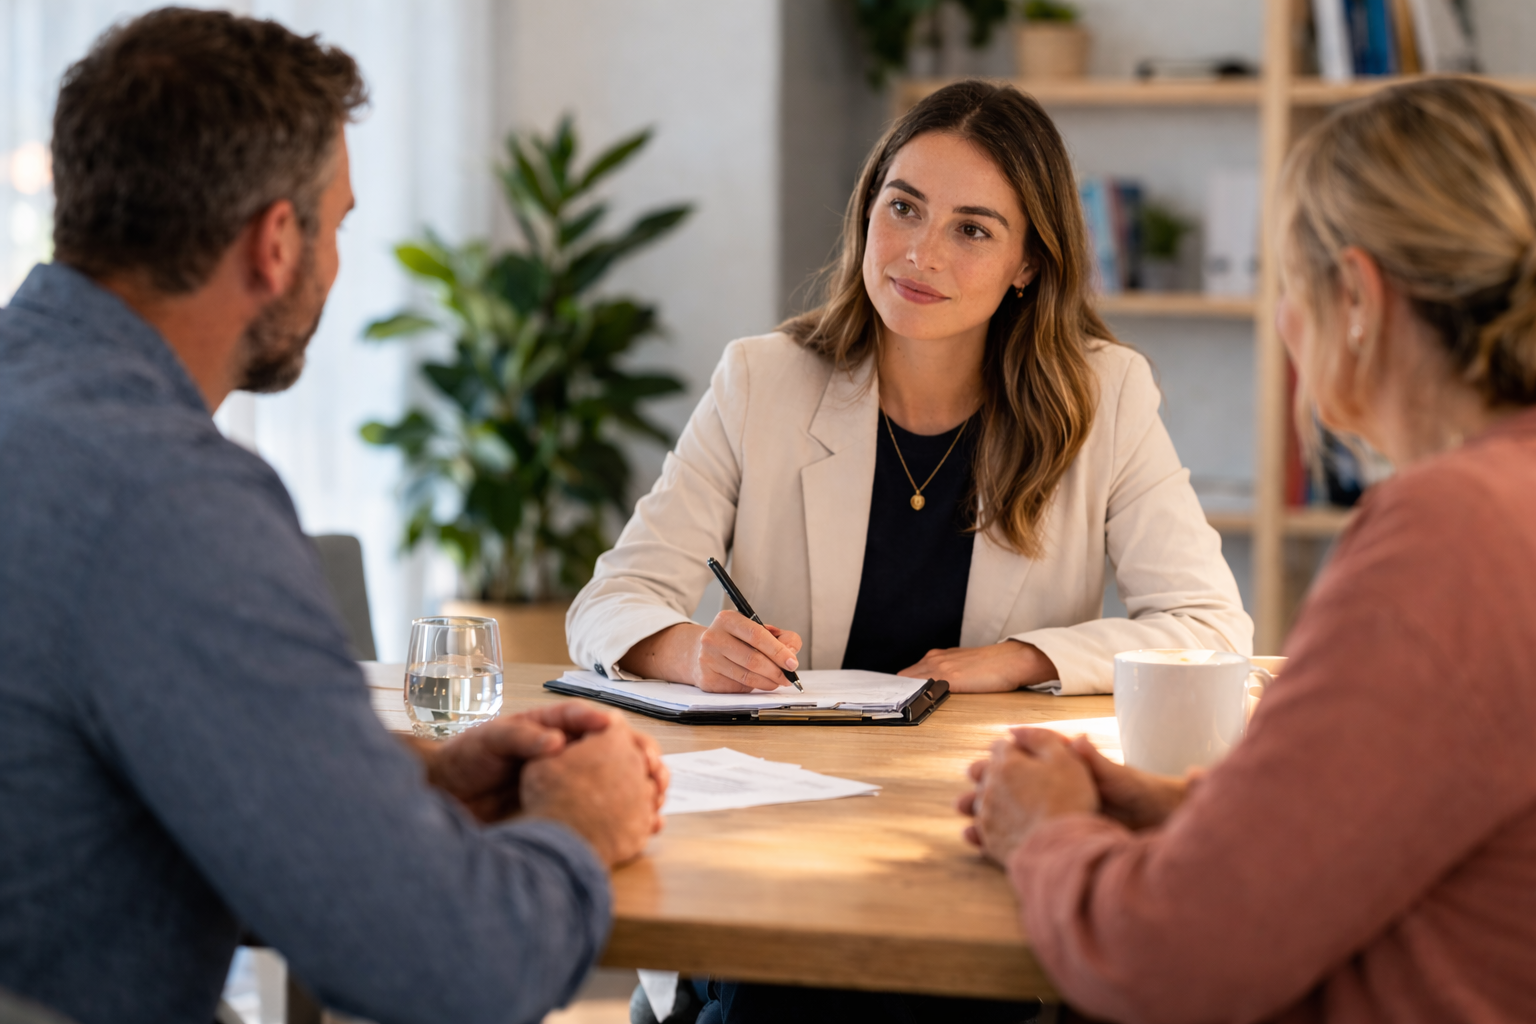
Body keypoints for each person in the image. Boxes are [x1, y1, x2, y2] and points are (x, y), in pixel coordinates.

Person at [0, 10, 667, 1024]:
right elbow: (450, 967)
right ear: (276, 241)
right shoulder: (172, 500)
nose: (337, 256)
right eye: (338, 222)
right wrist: (579, 825)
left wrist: (415, 782)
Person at [960, 77, 1536, 1023]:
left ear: (1355, 296)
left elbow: (1165, 957)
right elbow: (1403, 817)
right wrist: (1176, 810)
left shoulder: (1450, 533)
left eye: (1287, 282)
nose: (1284, 321)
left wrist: (1046, 833)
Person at [567, 80, 1251, 700]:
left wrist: (1020, 659)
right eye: (904, 208)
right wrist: (689, 651)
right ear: (868, 211)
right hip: (789, 779)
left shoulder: (1106, 395)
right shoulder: (758, 382)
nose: (922, 254)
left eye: (973, 229)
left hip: (987, 781)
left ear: (1028, 264)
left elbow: (1211, 628)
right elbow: (611, 602)